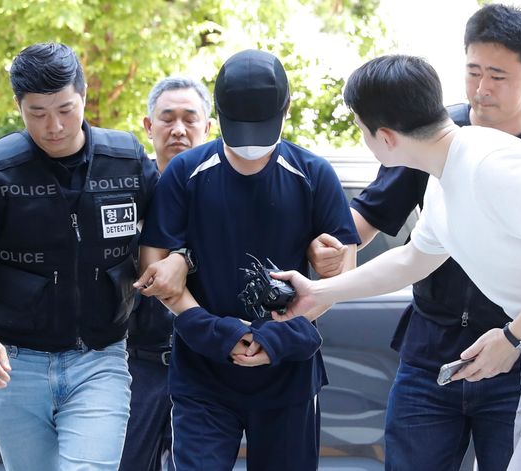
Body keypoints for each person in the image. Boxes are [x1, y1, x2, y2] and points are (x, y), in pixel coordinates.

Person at [275, 53, 521, 471]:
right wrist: (317, 292)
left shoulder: (491, 163)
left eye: (362, 130)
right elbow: (412, 261)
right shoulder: (445, 177)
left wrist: (512, 338)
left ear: (386, 137)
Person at [136, 49, 360, 470]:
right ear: (218, 114)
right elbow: (154, 266)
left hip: (288, 372)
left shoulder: (314, 173)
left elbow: (344, 273)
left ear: (286, 109)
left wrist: (280, 333)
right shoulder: (185, 172)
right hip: (203, 372)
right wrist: (215, 330)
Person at [0, 42, 158, 470]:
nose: (54, 126)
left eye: (65, 109)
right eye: (37, 113)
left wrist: (173, 262)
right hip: (15, 367)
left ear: (82, 95)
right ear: (19, 107)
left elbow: (167, 232)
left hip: (100, 360)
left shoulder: (126, 160)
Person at [119, 76, 212, 471]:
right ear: (148, 126)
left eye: (190, 119)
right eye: (167, 118)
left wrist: (185, 257)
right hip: (135, 366)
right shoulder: (124, 193)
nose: (178, 129)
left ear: (208, 127)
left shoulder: (228, 191)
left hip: (205, 365)